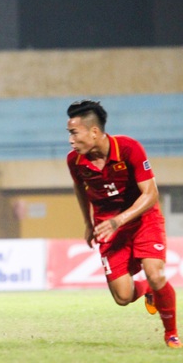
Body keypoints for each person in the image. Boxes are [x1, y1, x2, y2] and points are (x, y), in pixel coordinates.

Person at [66, 99, 180, 348]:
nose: (71, 140)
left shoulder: (129, 149)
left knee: (157, 274)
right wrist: (88, 222)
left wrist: (119, 220)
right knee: (123, 296)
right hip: (108, 226)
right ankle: (148, 290)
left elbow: (150, 194)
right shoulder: (74, 161)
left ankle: (171, 333)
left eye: (74, 133)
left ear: (94, 131)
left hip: (142, 219)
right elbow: (80, 189)